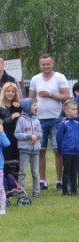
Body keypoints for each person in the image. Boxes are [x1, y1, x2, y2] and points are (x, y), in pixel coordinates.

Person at [28, 54, 70, 192]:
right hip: (39, 119)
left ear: (53, 64)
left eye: (48, 64)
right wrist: (31, 113)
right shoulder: (35, 79)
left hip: (56, 118)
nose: (46, 66)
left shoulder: (60, 77)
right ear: (40, 65)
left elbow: (66, 97)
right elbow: (31, 99)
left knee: (58, 150)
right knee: (40, 151)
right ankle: (42, 181)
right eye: (43, 64)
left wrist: (50, 94)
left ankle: (59, 181)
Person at [15, 98, 42, 198]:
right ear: (27, 107)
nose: (36, 107)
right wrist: (29, 136)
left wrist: (36, 137)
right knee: (23, 172)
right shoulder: (21, 120)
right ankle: (21, 193)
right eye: (34, 105)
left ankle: (36, 192)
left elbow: (40, 133)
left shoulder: (36, 120)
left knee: (35, 172)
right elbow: (17, 134)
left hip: (36, 150)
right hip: (24, 151)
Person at [0, 82, 22, 163]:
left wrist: (20, 108)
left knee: (18, 163)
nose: (10, 93)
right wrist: (10, 118)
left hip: (17, 138)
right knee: (6, 162)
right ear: (4, 92)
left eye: (13, 91)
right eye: (8, 91)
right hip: (3, 138)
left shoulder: (18, 106)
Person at [55, 100, 78, 196]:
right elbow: (59, 138)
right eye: (73, 109)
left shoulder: (77, 124)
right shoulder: (63, 124)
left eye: (77, 109)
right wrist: (61, 149)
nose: (76, 111)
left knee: (75, 171)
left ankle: (74, 190)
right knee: (67, 171)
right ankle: (65, 191)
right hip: (67, 151)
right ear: (67, 111)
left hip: (76, 152)